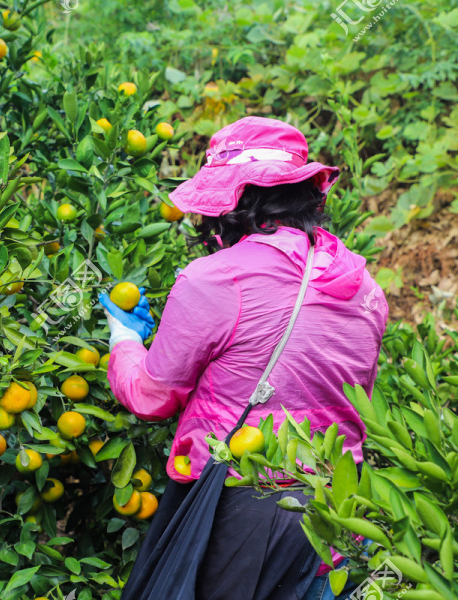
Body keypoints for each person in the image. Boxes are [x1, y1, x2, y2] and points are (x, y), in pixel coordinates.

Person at [99, 117, 388, 600]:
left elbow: (153, 397)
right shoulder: (365, 287)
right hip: (339, 511)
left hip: (244, 509)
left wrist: (124, 340)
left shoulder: (215, 278)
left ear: (230, 205)